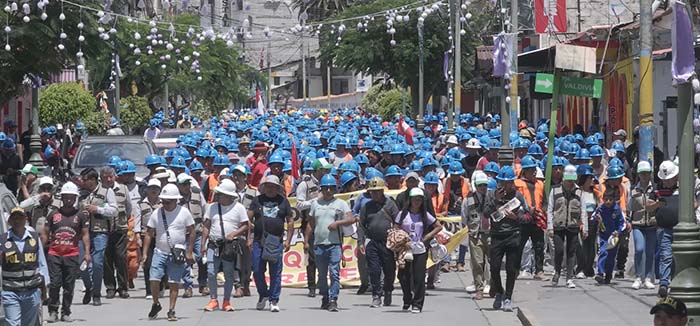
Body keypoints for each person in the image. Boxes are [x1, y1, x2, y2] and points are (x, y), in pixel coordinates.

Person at [142, 184, 196, 321]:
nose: (165, 204)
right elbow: (149, 233)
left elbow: (192, 230)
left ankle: (171, 309)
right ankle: (156, 303)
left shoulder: (184, 212)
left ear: (176, 200)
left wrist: (189, 251)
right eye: (163, 201)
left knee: (173, 283)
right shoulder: (157, 213)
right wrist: (144, 253)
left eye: (168, 201)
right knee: (153, 279)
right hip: (160, 251)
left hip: (176, 253)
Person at [42, 182, 91, 323]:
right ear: (62, 198)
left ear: (75, 198)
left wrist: (87, 253)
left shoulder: (80, 216)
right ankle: (53, 311)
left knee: (69, 286)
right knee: (55, 284)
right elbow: (45, 233)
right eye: (66, 197)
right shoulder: (53, 214)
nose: (69, 200)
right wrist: (39, 251)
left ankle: (66, 312)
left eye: (71, 197)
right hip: (54, 254)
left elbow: (85, 234)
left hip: (72, 254)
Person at [305, 174, 355, 312]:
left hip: (334, 244)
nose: (328, 191)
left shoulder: (341, 204)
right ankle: (325, 296)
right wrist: (306, 241)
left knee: (334, 272)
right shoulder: (315, 204)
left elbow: (351, 219)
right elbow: (310, 224)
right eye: (326, 188)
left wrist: (338, 223)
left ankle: (333, 299)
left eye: (331, 188)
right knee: (321, 274)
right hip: (319, 244)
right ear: (321, 189)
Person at [483, 165, 529, 312]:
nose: (505, 185)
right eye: (502, 182)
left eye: (508, 182)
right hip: (497, 236)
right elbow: (485, 213)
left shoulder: (518, 196)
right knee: (495, 268)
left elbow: (528, 216)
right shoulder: (492, 195)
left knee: (510, 268)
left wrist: (516, 217)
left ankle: (508, 297)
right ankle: (499, 292)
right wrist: (496, 200)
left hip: (513, 235)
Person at [200, 179, 250, 312]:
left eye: (221, 194)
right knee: (211, 272)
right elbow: (206, 226)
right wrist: (203, 244)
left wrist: (234, 233)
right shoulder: (212, 207)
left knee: (228, 273)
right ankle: (213, 299)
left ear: (228, 195)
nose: (218, 196)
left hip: (229, 245)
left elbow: (246, 225)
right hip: (213, 243)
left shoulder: (239, 208)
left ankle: (226, 301)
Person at [249, 175, 294, 312]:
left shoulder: (283, 201)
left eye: (273, 186)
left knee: (275, 272)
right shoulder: (257, 201)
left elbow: (290, 221)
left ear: (277, 188)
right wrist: (248, 237)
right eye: (268, 186)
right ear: (264, 187)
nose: (270, 189)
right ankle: (263, 294)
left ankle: (274, 300)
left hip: (276, 241)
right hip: (258, 241)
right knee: (257, 270)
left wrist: (288, 240)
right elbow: (247, 219)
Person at [394, 187, 443, 313]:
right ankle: (407, 298)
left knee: (419, 277)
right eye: (415, 199)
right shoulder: (402, 214)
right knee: (403, 276)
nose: (417, 202)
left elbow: (438, 227)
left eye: (419, 199)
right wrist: (403, 238)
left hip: (420, 250)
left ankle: (417, 303)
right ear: (410, 200)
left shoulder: (424, 215)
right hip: (405, 249)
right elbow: (396, 228)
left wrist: (427, 236)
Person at [0, 207, 50, 326]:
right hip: (10, 291)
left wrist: (46, 286)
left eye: (20, 218)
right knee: (13, 323)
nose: (17, 221)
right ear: (10, 221)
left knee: (28, 323)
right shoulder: (3, 240)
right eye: (14, 218)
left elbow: (42, 263)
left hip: (31, 290)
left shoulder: (34, 238)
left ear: (25, 219)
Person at [79, 167, 118, 307]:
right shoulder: (80, 194)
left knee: (97, 263)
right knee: (81, 264)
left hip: (100, 231)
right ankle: (88, 286)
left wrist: (98, 209)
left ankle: (96, 293)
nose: (82, 182)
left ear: (93, 180)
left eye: (85, 180)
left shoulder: (107, 192)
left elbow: (114, 211)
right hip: (82, 232)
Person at [358, 177, 399, 308]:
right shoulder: (367, 206)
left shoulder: (390, 204)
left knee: (389, 269)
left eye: (377, 191)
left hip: (388, 242)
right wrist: (361, 242)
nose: (375, 194)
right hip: (373, 242)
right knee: (374, 269)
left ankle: (388, 290)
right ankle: (376, 295)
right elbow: (361, 225)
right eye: (372, 192)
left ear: (382, 191)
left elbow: (397, 221)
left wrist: (396, 237)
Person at [547, 165, 587, 289]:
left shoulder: (579, 192)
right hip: (558, 225)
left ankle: (569, 277)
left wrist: (585, 228)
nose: (570, 182)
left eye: (572, 180)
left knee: (571, 252)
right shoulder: (554, 191)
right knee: (559, 250)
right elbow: (549, 209)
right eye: (568, 179)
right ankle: (557, 271)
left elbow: (583, 211)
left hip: (573, 225)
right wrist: (550, 227)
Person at [297, 160, 329, 297]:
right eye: (324, 170)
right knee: (312, 256)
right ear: (317, 170)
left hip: (326, 222)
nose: (326, 172)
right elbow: (299, 205)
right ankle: (311, 285)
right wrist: (315, 201)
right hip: (310, 222)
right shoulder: (305, 185)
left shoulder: (328, 182)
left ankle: (323, 283)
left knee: (325, 254)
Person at [103, 164, 133, 299]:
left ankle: (123, 287)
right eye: (105, 178)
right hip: (103, 229)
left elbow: (129, 208)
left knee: (120, 258)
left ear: (115, 177)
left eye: (110, 177)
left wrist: (123, 222)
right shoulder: (100, 191)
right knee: (107, 259)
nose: (108, 180)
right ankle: (110, 287)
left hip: (120, 229)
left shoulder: (123, 189)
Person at [514, 155, 546, 280]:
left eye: (534, 169)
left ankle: (539, 270)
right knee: (519, 246)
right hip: (523, 219)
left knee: (539, 246)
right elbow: (514, 201)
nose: (533, 172)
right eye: (530, 169)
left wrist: (542, 212)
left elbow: (545, 201)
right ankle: (515, 270)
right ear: (524, 171)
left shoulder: (540, 184)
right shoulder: (517, 184)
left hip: (537, 219)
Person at [629, 161, 659, 290]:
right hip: (637, 223)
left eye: (647, 173)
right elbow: (630, 207)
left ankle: (647, 277)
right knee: (639, 249)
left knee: (650, 251)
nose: (645, 176)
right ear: (638, 174)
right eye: (642, 174)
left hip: (652, 223)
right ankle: (638, 277)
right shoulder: (634, 189)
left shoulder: (656, 188)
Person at [176, 173, 206, 299]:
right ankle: (188, 286)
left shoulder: (197, 193)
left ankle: (203, 284)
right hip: (183, 234)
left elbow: (204, 209)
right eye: (183, 184)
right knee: (184, 262)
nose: (186, 186)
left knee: (200, 258)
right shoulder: (175, 198)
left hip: (198, 231)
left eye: (188, 183)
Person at [462, 171, 491, 300]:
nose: (483, 188)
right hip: (475, 235)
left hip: (490, 234)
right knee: (478, 263)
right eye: (480, 185)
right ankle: (479, 288)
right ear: (475, 186)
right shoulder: (468, 200)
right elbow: (464, 218)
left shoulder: (492, 198)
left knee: (492, 262)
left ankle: (492, 286)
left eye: (485, 185)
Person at [134, 179, 163, 299]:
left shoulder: (163, 204)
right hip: (145, 236)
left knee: (161, 263)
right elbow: (137, 220)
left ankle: (160, 287)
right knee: (147, 263)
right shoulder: (141, 204)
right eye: (151, 188)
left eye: (156, 188)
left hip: (161, 236)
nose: (153, 190)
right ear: (147, 189)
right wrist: (137, 235)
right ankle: (149, 291)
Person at [656, 160, 679, 297]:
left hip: (679, 228)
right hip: (664, 228)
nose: (667, 182)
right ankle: (664, 283)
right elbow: (649, 205)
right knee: (665, 256)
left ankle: (675, 282)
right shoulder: (658, 190)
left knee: (678, 257)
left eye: (670, 179)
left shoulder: (683, 189)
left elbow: (694, 203)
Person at [593, 187, 626, 284]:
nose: (608, 202)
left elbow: (622, 223)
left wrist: (618, 232)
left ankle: (608, 274)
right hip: (603, 235)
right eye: (606, 199)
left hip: (613, 237)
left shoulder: (617, 209)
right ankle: (600, 273)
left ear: (614, 200)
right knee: (603, 252)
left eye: (610, 200)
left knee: (611, 256)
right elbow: (593, 217)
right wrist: (596, 218)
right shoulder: (601, 208)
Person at [575, 164, 601, 279]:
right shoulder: (577, 193)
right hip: (581, 222)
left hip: (593, 222)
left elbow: (599, 207)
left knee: (592, 247)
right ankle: (580, 268)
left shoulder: (595, 193)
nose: (592, 180)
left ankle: (589, 267)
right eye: (590, 177)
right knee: (581, 247)